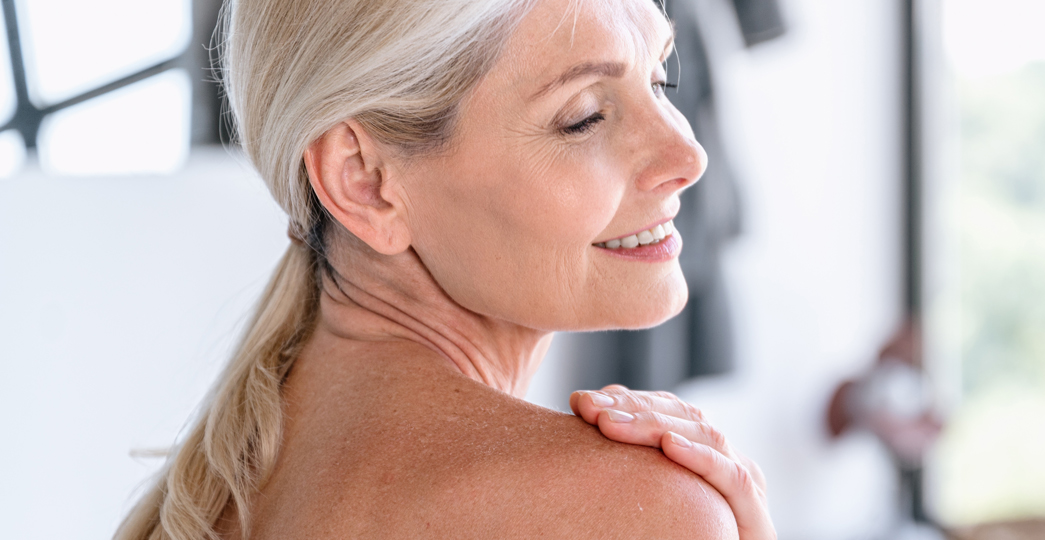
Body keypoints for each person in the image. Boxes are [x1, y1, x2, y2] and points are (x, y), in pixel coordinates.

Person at [115, 0, 772, 538]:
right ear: (364, 180)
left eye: (659, 79)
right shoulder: (640, 513)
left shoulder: (220, 504)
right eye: (584, 118)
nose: (688, 155)